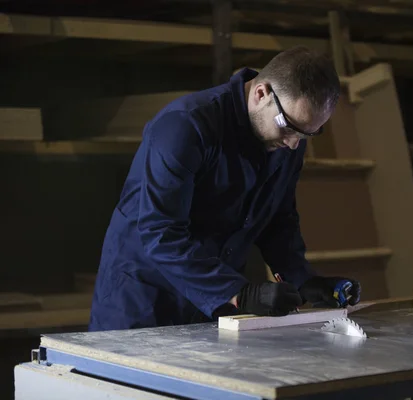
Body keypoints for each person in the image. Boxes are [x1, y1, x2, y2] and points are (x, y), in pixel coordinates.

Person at [88, 46, 361, 332]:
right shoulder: (186, 126)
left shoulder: (286, 139)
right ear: (261, 94)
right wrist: (239, 293)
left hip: (213, 305)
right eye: (289, 127)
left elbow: (279, 220)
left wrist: (305, 281)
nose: (294, 144)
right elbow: (161, 232)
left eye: (308, 133)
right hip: (142, 303)